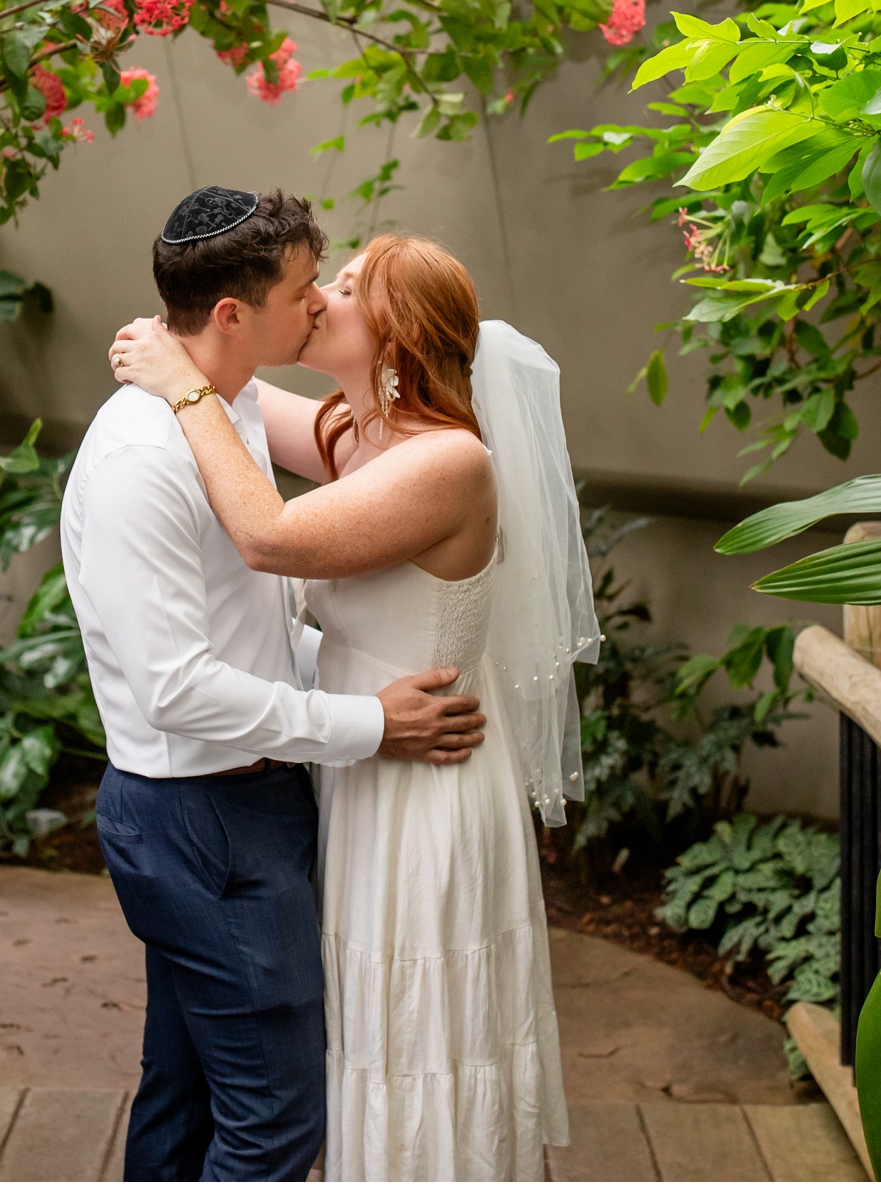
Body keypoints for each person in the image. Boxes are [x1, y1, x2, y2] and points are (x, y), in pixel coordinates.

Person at [109, 230, 597, 1182]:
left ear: (400, 335)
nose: (323, 296)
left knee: (418, 1035)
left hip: (426, 787)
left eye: (347, 286)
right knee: (350, 1030)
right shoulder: (355, 428)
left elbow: (269, 532)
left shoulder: (448, 463)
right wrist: (185, 334)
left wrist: (182, 384)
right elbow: (239, 383)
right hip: (360, 767)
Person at [60, 188, 489, 1183]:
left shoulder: (235, 405)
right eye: (306, 290)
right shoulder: (141, 458)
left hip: (257, 798)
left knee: (190, 1088)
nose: (318, 308)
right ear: (230, 314)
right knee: (276, 1122)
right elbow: (177, 688)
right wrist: (364, 720)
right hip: (196, 817)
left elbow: (272, 581)